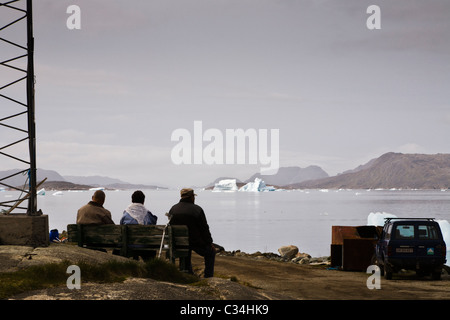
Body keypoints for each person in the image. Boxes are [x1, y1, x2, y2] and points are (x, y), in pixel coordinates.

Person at [168, 188, 215, 278]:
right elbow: (204, 228)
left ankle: (188, 273)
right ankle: (208, 277)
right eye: (194, 196)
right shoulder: (197, 210)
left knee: (185, 250)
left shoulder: (173, 209)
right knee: (211, 252)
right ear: (191, 197)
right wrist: (209, 243)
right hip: (195, 242)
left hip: (178, 243)